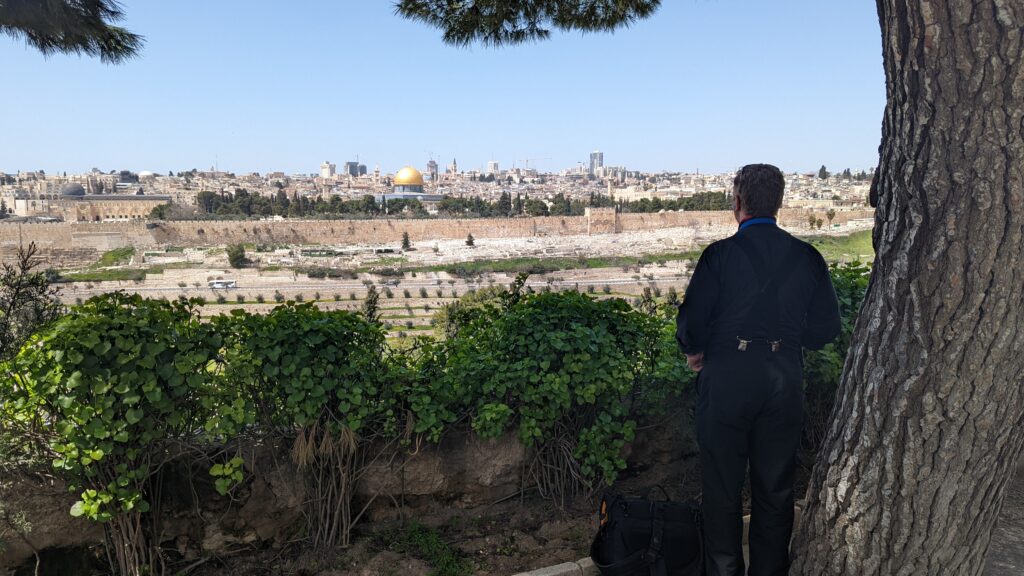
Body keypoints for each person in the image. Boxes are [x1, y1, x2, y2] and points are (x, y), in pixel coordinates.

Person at [676, 163, 841, 576]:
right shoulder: (808, 258)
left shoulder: (719, 256)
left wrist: (695, 352)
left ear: (737, 203)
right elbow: (826, 328)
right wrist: (785, 339)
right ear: (780, 204)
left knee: (721, 491)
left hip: (727, 380)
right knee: (775, 490)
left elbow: (692, 323)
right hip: (782, 382)